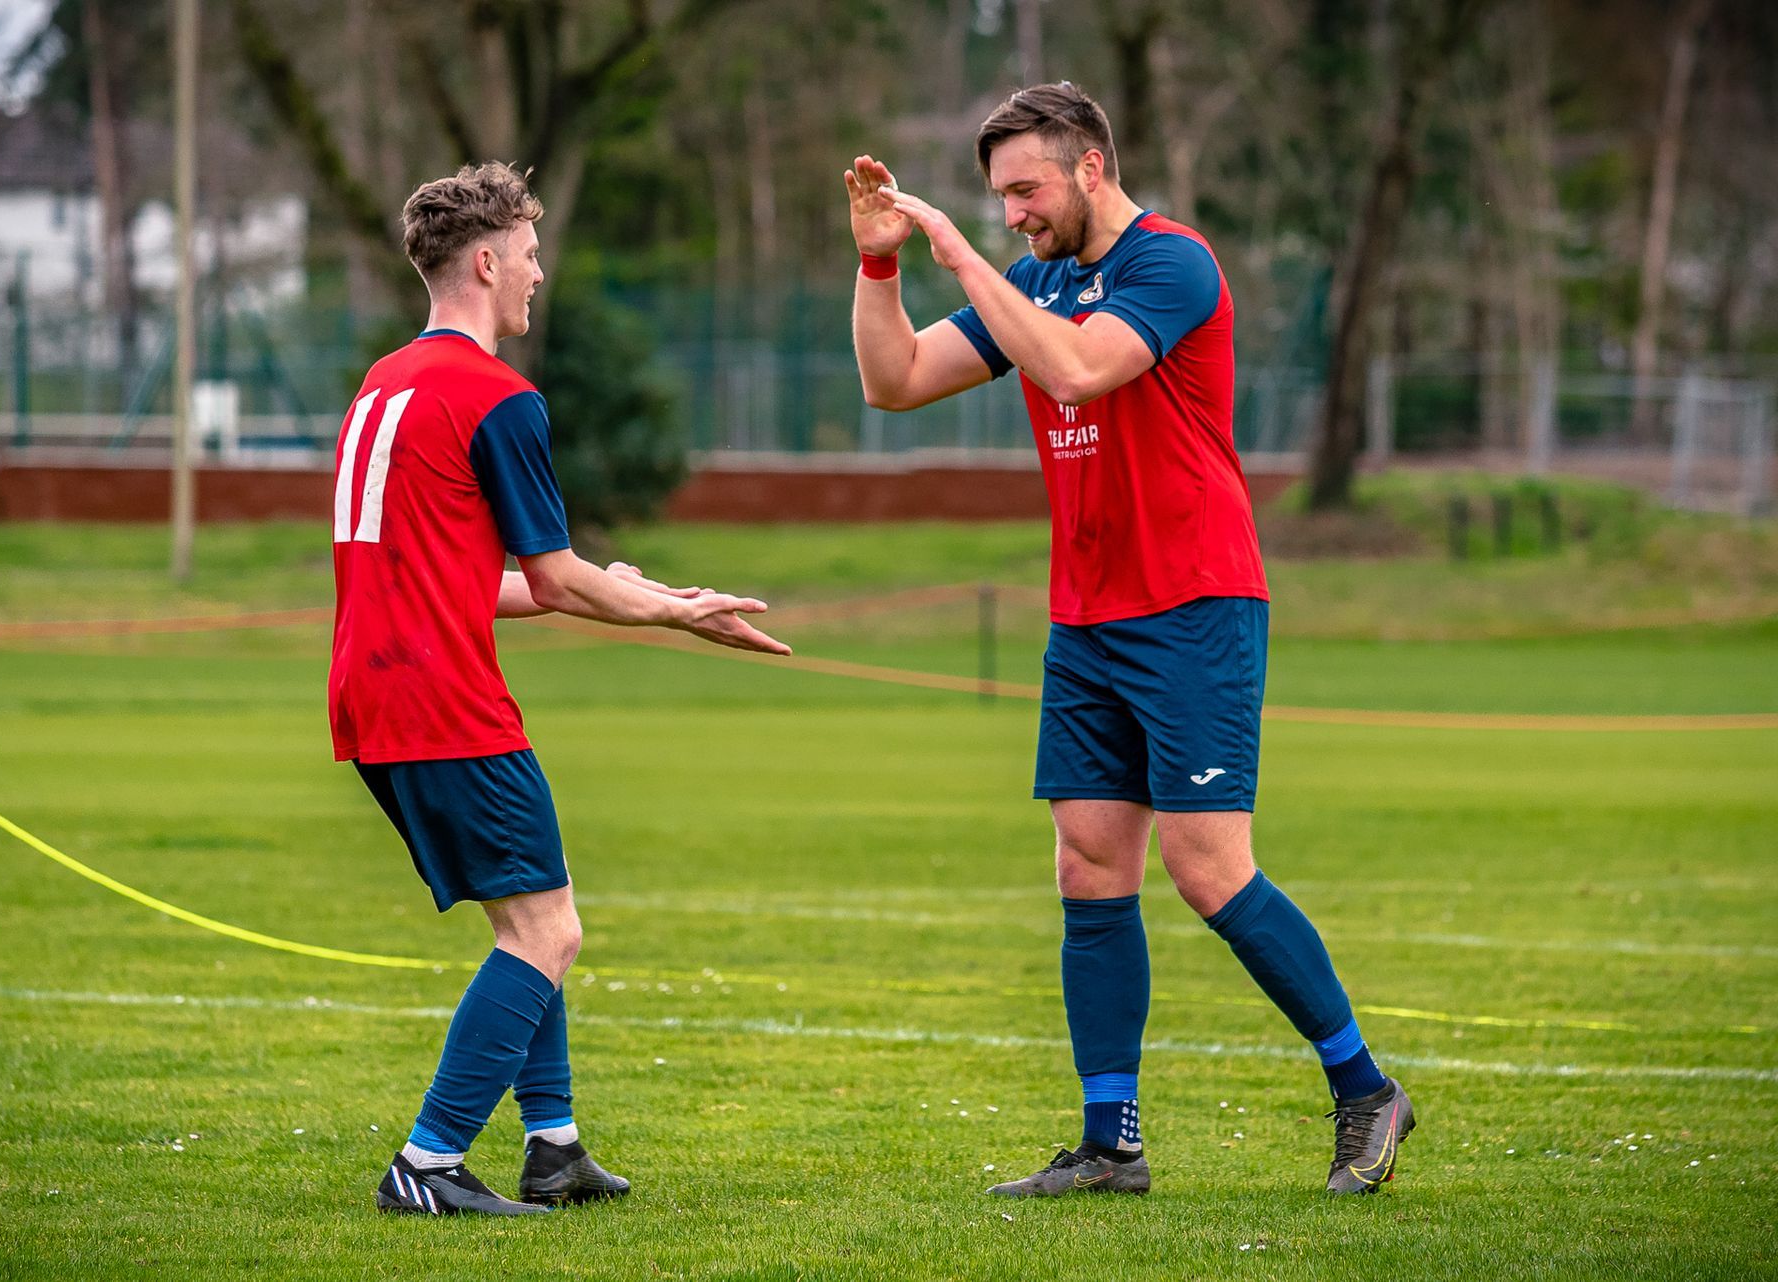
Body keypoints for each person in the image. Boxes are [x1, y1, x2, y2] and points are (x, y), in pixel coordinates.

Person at [844, 82, 1412, 1197]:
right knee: (1090, 864)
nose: (1013, 214)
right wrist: (878, 264)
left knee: (1209, 870)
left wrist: (959, 254)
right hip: (1087, 615)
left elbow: (1077, 367)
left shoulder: (1174, 263)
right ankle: (1112, 1144)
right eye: (998, 198)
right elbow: (893, 381)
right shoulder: (1035, 282)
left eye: (1027, 190)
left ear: (1092, 166)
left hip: (1194, 603)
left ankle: (1366, 1089)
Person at [331, 161, 791, 1217]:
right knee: (548, 933)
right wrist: (675, 610)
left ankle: (555, 1148)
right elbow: (555, 576)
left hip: (371, 693)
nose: (540, 274)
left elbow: (452, 578)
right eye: (531, 255)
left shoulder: (384, 383)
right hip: (441, 699)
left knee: (534, 911)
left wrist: (631, 590)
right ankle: (428, 1165)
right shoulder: (497, 395)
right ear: (488, 263)